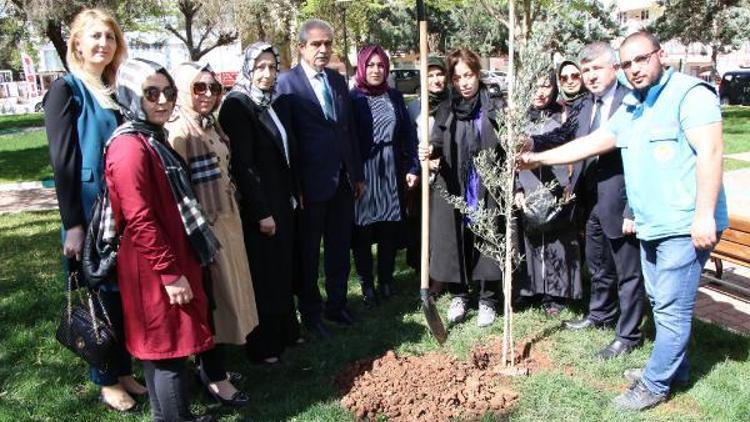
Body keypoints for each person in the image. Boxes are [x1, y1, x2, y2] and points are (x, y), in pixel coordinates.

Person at [521, 31, 728, 411]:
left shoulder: (691, 93)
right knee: (659, 300)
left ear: (660, 55)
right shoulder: (633, 105)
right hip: (652, 224)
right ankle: (675, 371)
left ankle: (654, 383)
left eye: (641, 59)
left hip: (684, 225)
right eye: (628, 62)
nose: (634, 69)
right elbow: (591, 142)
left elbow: (711, 154)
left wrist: (703, 217)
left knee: (670, 307)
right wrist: (536, 160)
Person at [43, 8, 146, 412]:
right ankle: (104, 380)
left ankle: (121, 369)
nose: (103, 43)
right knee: (100, 299)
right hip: (88, 213)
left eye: (110, 36)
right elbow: (64, 163)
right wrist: (73, 225)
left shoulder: (111, 88)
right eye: (95, 37)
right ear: (77, 44)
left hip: (120, 210)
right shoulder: (66, 89)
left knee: (121, 297)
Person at [106, 58, 218, 421]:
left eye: (168, 93)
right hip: (153, 268)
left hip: (166, 259)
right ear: (129, 95)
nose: (162, 101)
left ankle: (171, 416)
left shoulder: (150, 138)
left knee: (166, 351)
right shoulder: (130, 147)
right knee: (166, 352)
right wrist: (170, 274)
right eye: (150, 93)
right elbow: (139, 218)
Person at [166, 62, 258, 406]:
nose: (207, 94)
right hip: (205, 231)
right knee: (214, 304)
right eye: (198, 88)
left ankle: (215, 369)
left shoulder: (210, 124)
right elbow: (181, 193)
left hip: (227, 223)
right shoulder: (180, 131)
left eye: (213, 88)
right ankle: (214, 378)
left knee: (229, 297)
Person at [548, 43, 645, 360]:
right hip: (590, 199)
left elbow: (640, 159)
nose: (589, 75)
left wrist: (633, 207)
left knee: (628, 272)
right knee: (599, 263)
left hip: (620, 201)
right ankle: (600, 314)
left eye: (596, 68)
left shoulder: (631, 102)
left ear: (614, 68)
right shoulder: (586, 104)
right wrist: (533, 142)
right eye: (585, 69)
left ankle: (629, 335)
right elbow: (566, 136)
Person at [276, 19, 365, 337]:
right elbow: (285, 143)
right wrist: (295, 186)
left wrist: (356, 173)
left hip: (342, 181)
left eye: (327, 43)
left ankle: (337, 306)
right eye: (316, 44)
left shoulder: (338, 81)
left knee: (340, 248)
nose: (323, 49)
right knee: (309, 253)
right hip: (309, 188)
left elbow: (348, 131)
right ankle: (311, 314)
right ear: (301, 47)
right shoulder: (286, 84)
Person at [219, 42, 303, 362]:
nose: (267, 74)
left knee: (283, 270)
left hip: (283, 201)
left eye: (272, 67)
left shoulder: (269, 103)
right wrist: (262, 212)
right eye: (260, 68)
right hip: (262, 208)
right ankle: (264, 345)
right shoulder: (238, 106)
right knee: (266, 275)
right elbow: (243, 165)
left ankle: (286, 332)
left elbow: (284, 153)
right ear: (247, 70)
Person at [421, 48, 505, 328]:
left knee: (487, 239)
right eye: (457, 78)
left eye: (468, 76)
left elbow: (506, 142)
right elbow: (438, 142)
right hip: (454, 183)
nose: (464, 83)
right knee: (453, 241)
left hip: (486, 183)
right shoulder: (446, 107)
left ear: (478, 74)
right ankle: (459, 295)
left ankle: (487, 299)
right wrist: (429, 149)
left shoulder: (493, 104)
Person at [349, 44, 419, 306]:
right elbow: (349, 140)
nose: (376, 70)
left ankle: (386, 280)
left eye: (380, 65)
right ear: (362, 67)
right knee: (364, 231)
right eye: (370, 65)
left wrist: (413, 167)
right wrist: (355, 175)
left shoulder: (395, 97)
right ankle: (367, 284)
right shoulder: (353, 99)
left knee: (389, 228)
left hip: (391, 170)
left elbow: (407, 135)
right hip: (364, 173)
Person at [516, 71, 583, 317]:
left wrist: (570, 183)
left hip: (559, 185)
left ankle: (555, 294)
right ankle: (530, 290)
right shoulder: (516, 116)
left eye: (546, 86)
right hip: (528, 184)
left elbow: (577, 147)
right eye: (535, 85)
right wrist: (517, 188)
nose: (540, 92)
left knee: (557, 239)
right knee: (530, 238)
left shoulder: (563, 115)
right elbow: (506, 159)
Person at [406, 56, 448, 271]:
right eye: (430, 75)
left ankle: (444, 271)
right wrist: (422, 164)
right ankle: (425, 268)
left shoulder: (454, 103)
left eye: (439, 74)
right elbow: (409, 141)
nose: (436, 79)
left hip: (446, 173)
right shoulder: (415, 108)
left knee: (444, 225)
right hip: (422, 174)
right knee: (424, 223)